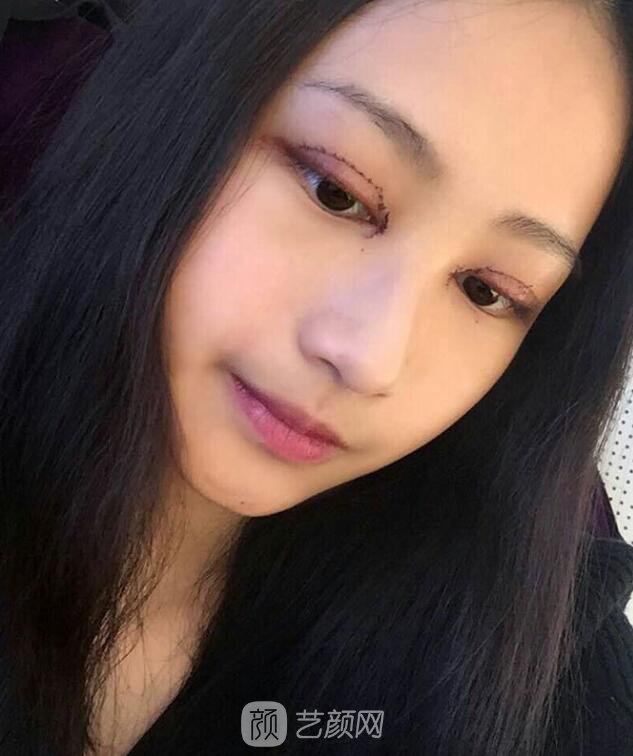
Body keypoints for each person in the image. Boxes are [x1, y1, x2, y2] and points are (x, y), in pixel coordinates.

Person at [0, 0, 632, 754]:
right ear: (178, 99)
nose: (370, 358)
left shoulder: (539, 664)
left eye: (486, 292)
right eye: (336, 193)